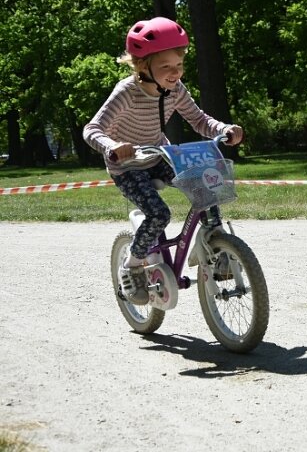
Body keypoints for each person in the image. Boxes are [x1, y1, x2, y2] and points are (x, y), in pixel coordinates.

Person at [83, 17, 243, 305]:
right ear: (143, 66)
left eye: (179, 65)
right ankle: (132, 266)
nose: (175, 72)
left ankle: (216, 247)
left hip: (159, 155)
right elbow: (92, 129)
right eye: (166, 67)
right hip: (128, 166)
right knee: (159, 214)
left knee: (205, 183)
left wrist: (223, 130)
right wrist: (112, 146)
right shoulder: (127, 93)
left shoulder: (176, 90)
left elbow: (198, 119)